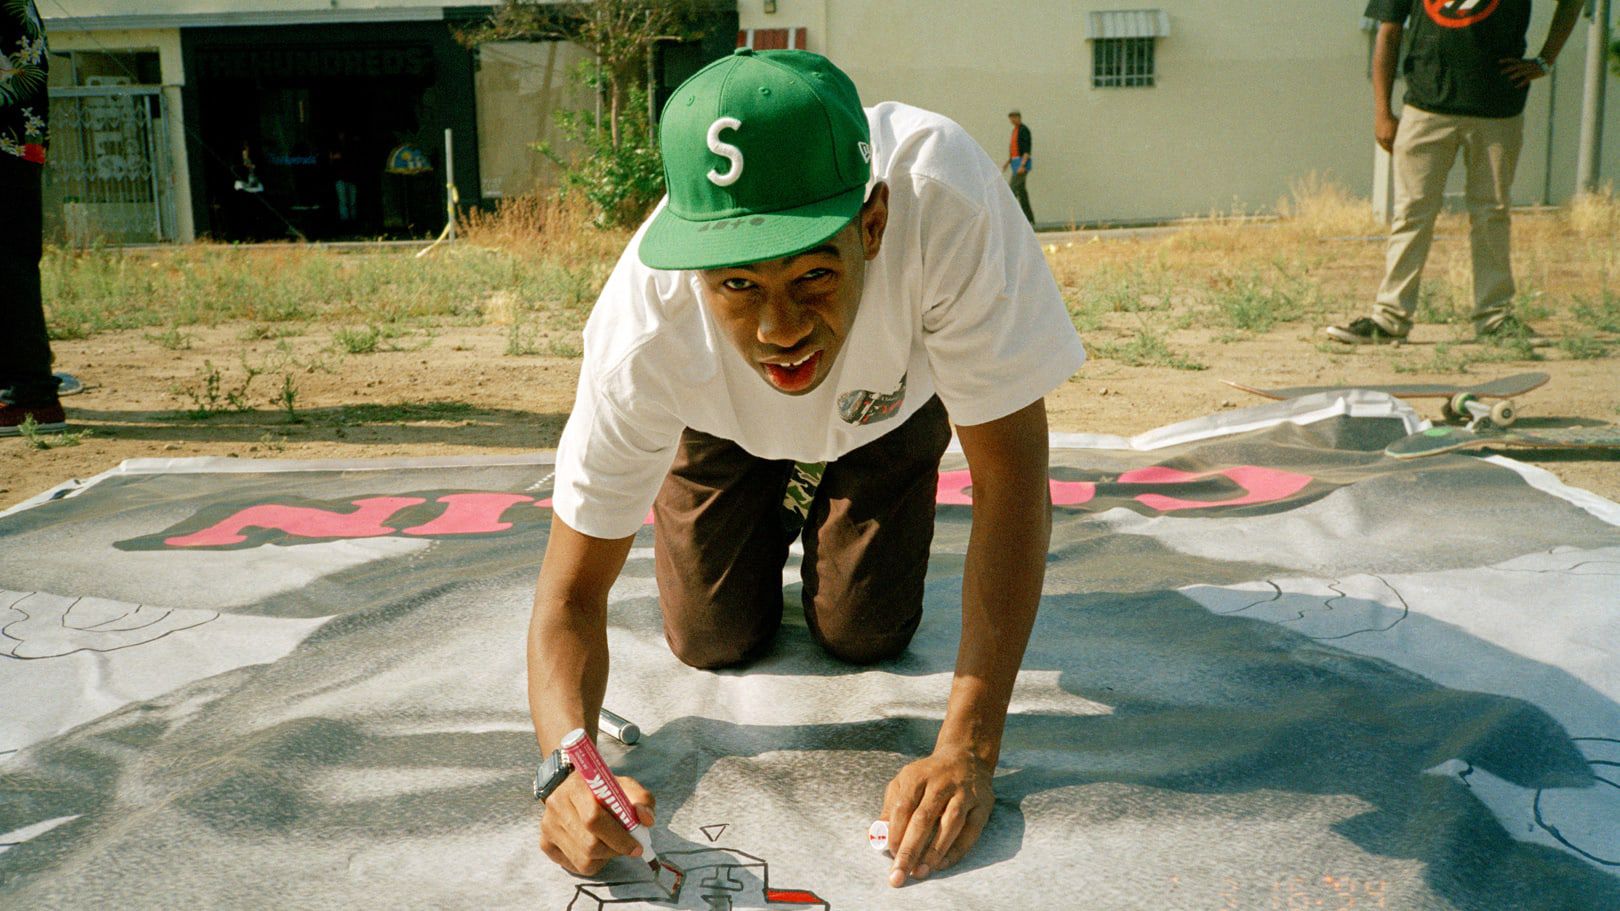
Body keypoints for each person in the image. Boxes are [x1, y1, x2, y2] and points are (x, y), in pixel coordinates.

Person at [527, 49, 1084, 888]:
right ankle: (775, 481)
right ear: (693, 271)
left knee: (866, 631)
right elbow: (568, 593)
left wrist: (969, 748)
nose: (779, 328)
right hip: (721, 427)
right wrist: (567, 769)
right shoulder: (644, 333)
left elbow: (1011, 484)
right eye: (738, 285)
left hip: (885, 410)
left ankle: (833, 479)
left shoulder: (949, 204)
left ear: (874, 224)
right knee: (712, 637)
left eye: (814, 273)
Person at [1325, 0, 1585, 345]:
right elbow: (1388, 32)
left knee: (1492, 213)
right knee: (1411, 212)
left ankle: (1495, 318)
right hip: (1425, 105)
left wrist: (1545, 60)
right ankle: (1389, 318)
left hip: (1497, 107)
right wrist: (1382, 112)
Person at [1, 0, 65, 436]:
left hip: (6, 144)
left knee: (7, 267)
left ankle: (30, 396)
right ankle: (23, 387)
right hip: (18, 143)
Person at [1004, 109, 1034, 224]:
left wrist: (1022, 165)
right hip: (1016, 163)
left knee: (1011, 190)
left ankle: (1009, 218)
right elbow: (1014, 149)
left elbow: (1026, 149)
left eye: (1013, 118)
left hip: (1021, 165)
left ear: (1018, 117)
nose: (1012, 120)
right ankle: (1029, 219)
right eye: (1010, 118)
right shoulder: (1015, 131)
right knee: (1022, 193)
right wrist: (1008, 162)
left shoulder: (1023, 130)